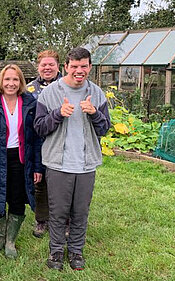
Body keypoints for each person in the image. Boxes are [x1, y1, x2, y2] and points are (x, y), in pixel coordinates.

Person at [34, 47, 110, 270]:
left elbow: (104, 129)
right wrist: (58, 114)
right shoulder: (49, 93)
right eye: (74, 66)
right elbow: (38, 127)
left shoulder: (97, 94)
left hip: (86, 165)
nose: (79, 70)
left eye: (83, 66)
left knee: (80, 212)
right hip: (58, 163)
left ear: (89, 67)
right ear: (65, 67)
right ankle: (56, 251)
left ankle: (76, 251)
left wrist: (95, 113)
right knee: (57, 212)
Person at [0, 64, 43, 259]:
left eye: (15, 79)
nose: (11, 83)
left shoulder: (30, 103)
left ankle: (11, 241)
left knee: (16, 199)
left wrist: (37, 166)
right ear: (1, 82)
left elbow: (36, 139)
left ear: (20, 82)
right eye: (7, 79)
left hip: (21, 160)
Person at [26, 50, 62, 238]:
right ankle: (41, 220)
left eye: (51, 64)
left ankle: (63, 221)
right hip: (37, 142)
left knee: (62, 185)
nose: (47, 68)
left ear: (58, 66)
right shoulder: (29, 89)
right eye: (43, 65)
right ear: (38, 67)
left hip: (61, 142)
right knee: (39, 183)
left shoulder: (68, 85)